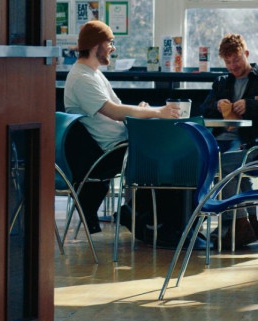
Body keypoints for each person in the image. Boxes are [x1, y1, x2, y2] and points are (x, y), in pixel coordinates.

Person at [64, 20, 180, 233]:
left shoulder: (94, 74)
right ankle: (155, 222)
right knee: (170, 158)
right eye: (110, 42)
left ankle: (140, 214)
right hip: (109, 151)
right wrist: (157, 112)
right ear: (95, 44)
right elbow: (114, 112)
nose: (113, 48)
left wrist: (141, 110)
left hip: (120, 145)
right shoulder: (82, 78)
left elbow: (118, 108)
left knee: (172, 155)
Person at [199, 33, 258, 247]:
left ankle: (238, 224)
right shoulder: (222, 82)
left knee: (223, 169)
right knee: (228, 172)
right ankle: (248, 223)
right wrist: (217, 106)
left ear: (247, 54)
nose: (233, 65)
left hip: (250, 141)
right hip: (220, 139)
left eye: (237, 59)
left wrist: (251, 106)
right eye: (228, 62)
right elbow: (203, 109)